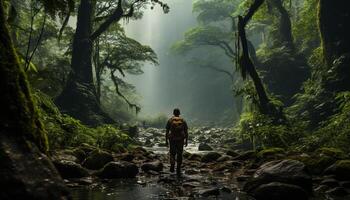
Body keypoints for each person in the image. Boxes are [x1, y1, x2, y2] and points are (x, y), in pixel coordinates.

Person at [165, 108, 188, 175]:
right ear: (179, 113)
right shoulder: (183, 120)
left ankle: (172, 166)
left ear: (173, 113)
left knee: (172, 153)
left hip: (172, 139)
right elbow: (186, 132)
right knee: (179, 154)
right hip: (180, 139)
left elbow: (167, 132)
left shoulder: (170, 120)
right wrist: (186, 141)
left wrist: (166, 141)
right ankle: (178, 168)